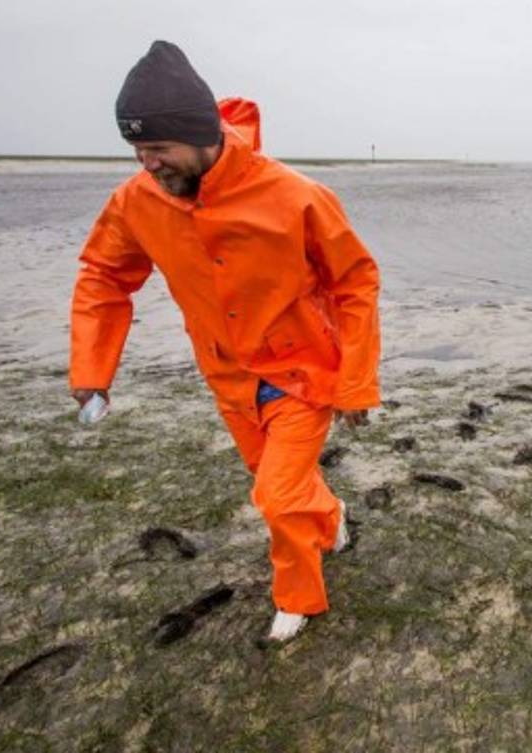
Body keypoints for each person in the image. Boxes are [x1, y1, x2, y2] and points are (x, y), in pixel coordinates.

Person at [69, 41, 381, 642]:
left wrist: (357, 383)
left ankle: (298, 599)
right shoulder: (136, 202)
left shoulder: (295, 197)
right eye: (136, 150)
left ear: (202, 133)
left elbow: (356, 281)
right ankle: (333, 515)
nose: (148, 164)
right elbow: (104, 276)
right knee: (282, 487)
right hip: (229, 379)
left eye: (158, 149)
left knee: (276, 495)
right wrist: (91, 368)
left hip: (303, 370)